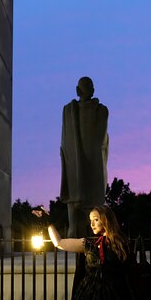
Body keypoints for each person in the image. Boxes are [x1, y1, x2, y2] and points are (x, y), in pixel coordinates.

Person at [59, 77, 109, 238]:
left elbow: (101, 139)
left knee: (94, 200)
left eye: (89, 87)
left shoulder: (101, 110)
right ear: (78, 90)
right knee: (73, 201)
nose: (86, 91)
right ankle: (74, 232)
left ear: (93, 91)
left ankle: (96, 234)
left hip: (93, 162)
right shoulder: (68, 111)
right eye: (84, 87)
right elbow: (64, 139)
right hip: (73, 162)